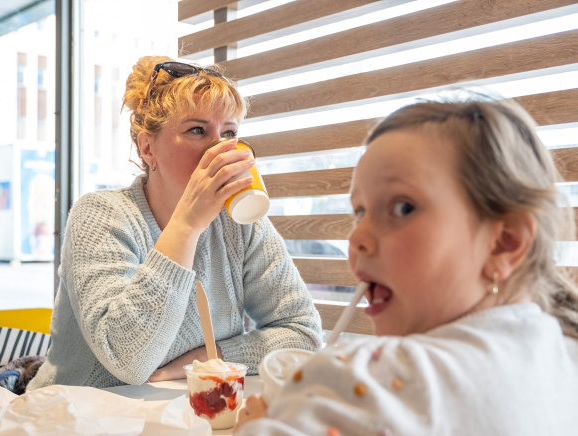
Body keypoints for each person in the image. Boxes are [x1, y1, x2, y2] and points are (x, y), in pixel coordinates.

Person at [234, 96, 578, 435]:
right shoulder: (565, 359)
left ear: (505, 243)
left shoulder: (355, 386)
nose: (356, 239)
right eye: (360, 212)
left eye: (403, 208)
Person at [27, 56, 322, 390]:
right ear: (147, 148)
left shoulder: (241, 224)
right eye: (197, 130)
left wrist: (208, 360)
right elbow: (129, 361)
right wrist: (186, 226)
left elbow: (304, 334)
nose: (220, 148)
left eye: (229, 133)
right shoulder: (99, 215)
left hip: (183, 415)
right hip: (71, 416)